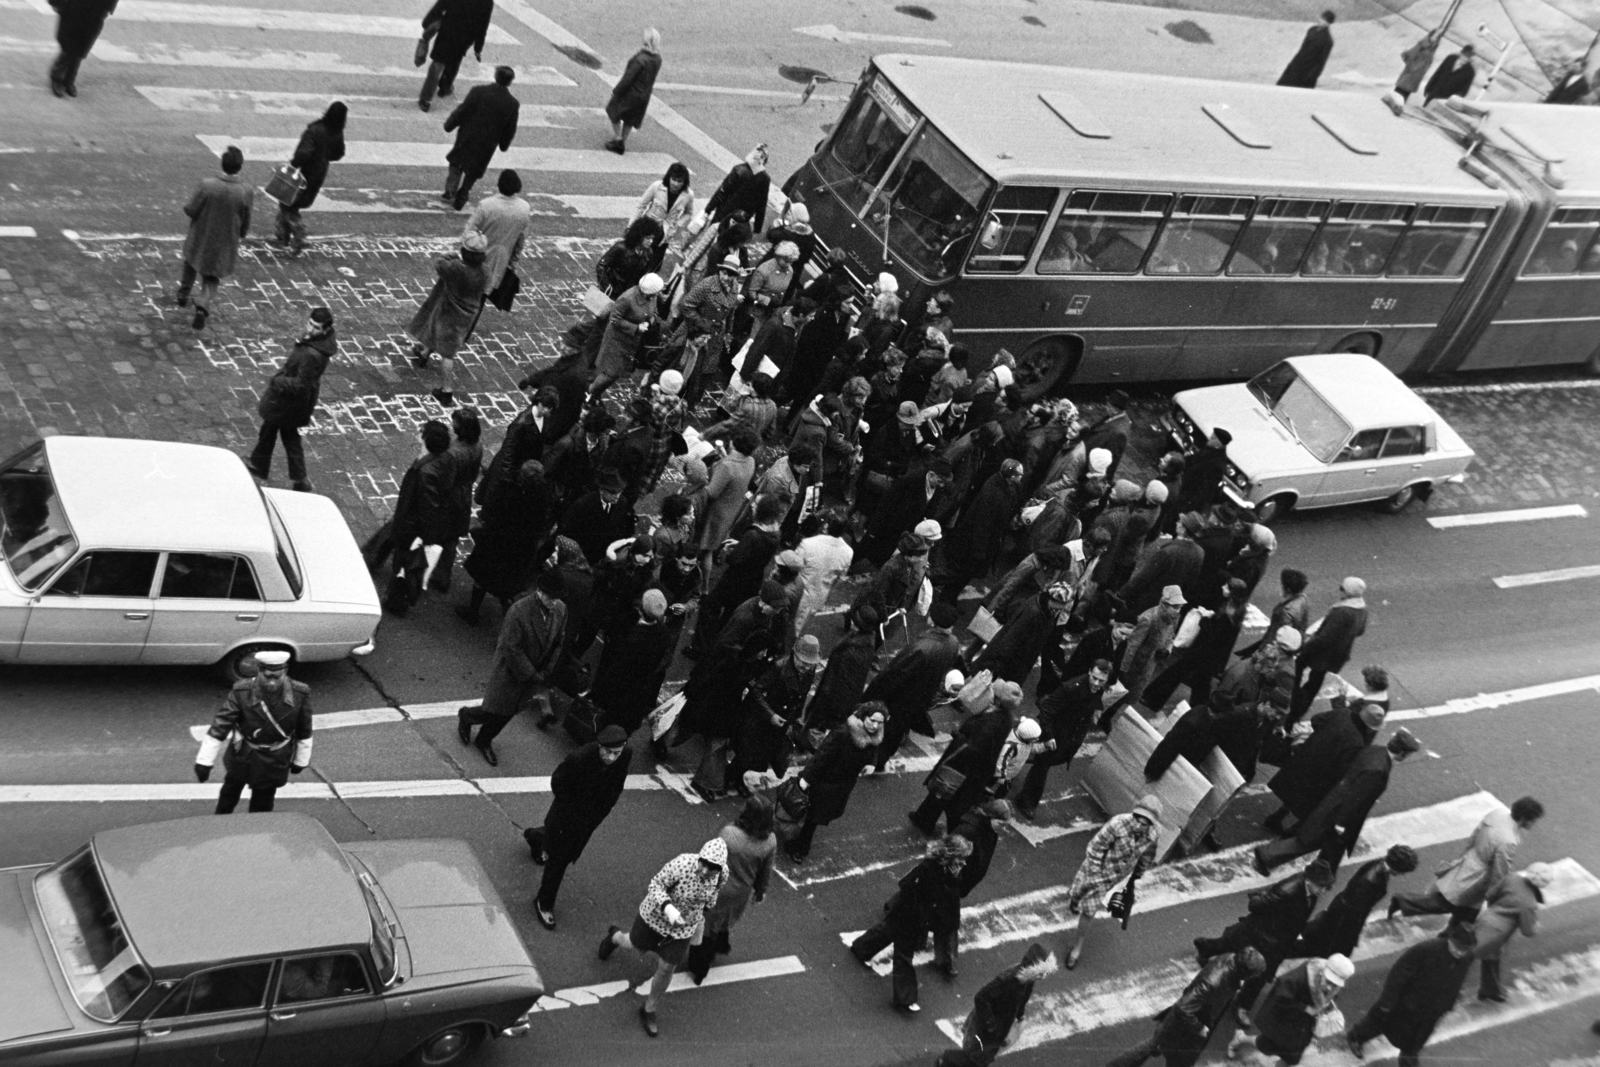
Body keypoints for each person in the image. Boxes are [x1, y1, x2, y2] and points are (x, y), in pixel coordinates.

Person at [598, 838, 730, 1037]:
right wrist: (668, 908)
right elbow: (655, 885)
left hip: (683, 928)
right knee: (634, 945)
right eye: (703, 864)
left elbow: (714, 894)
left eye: (711, 869)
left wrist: (705, 907)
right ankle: (614, 937)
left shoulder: (722, 875)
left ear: (719, 868)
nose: (704, 871)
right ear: (699, 858)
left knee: (667, 966)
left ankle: (649, 1009)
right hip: (654, 917)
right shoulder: (683, 864)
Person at [1255, 729, 1422, 875]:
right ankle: (1265, 856)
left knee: (1310, 836)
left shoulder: (1374, 751)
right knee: (1309, 841)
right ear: (1402, 753)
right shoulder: (1378, 770)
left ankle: (1270, 856)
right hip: (1337, 811)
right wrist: (1341, 823)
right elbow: (1356, 797)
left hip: (1332, 799)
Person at [522, 724, 631, 929]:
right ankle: (544, 903)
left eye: (616, 752)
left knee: (554, 843)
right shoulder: (579, 758)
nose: (611, 757)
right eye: (607, 751)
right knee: (558, 862)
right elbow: (558, 782)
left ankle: (535, 837)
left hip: (590, 819)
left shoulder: (625, 755)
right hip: (567, 817)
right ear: (599, 745)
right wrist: (571, 808)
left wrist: (605, 806)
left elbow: (618, 783)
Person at [456, 568, 568, 766]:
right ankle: (469, 718)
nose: (554, 602)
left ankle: (483, 737)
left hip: (535, 675)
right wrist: (532, 674)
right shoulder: (519, 611)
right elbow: (511, 649)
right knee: (497, 709)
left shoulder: (560, 609)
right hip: (512, 673)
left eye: (557, 598)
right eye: (551, 597)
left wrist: (547, 670)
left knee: (509, 711)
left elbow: (559, 641)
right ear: (540, 591)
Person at [1196, 858, 1336, 1017]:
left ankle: (1206, 948)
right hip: (1263, 934)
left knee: (1234, 946)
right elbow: (1256, 905)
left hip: (1275, 937)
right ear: (1310, 880)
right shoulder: (1287, 891)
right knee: (1259, 970)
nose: (1323, 890)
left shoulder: (1311, 890)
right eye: (1321, 886)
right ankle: (1243, 1005)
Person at [850, 835, 971, 1012]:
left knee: (887, 932)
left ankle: (861, 948)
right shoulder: (929, 869)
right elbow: (909, 886)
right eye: (961, 859)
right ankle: (905, 998)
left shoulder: (948, 871)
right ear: (950, 856)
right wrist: (919, 916)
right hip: (911, 916)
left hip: (910, 915)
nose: (964, 863)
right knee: (904, 956)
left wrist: (953, 878)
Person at [1390, 796, 1544, 923]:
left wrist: (1464, 855)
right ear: (1524, 818)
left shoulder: (1498, 813)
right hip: (1478, 876)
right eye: (1533, 820)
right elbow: (1500, 871)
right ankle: (1404, 901)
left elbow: (1475, 834)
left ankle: (1452, 937)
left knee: (1465, 911)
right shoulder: (1508, 840)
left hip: (1470, 859)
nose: (1534, 824)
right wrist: (1495, 895)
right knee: (1451, 905)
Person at [193, 650, 312, 813]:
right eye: (268, 676)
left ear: (285, 672)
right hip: (244, 753)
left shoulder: (300, 694)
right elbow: (221, 725)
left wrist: (301, 760)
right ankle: (220, 822)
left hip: (275, 757)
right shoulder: (241, 691)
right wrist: (204, 761)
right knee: (230, 792)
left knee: (263, 801)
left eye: (276, 677)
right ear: (259, 671)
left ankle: (257, 832)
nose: (272, 682)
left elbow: (304, 729)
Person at [1106, 948, 1267, 1067]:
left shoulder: (1230, 959)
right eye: (1253, 975)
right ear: (1245, 972)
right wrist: (1200, 1028)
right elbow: (1183, 1008)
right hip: (1183, 1029)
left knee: (1153, 1047)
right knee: (1170, 1056)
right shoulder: (1214, 982)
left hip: (1181, 1025)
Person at [1345, 924, 1477, 1067]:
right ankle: (1356, 1036)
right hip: (1406, 1003)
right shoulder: (1427, 949)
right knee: (1380, 1024)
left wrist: (1448, 1003)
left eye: (1463, 950)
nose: (1459, 953)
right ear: (1450, 939)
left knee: (1417, 1038)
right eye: (1457, 948)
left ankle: (1408, 1059)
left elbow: (1457, 980)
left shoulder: (1466, 957)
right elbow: (1399, 974)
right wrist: (1387, 1001)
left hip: (1431, 1009)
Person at [909, 687, 1033, 835]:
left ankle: (949, 831)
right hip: (975, 770)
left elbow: (973, 748)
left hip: (964, 768)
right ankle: (924, 819)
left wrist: (960, 739)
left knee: (945, 795)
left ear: (999, 700)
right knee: (947, 798)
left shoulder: (993, 722)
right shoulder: (1006, 717)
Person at [1063, 795, 1162, 969]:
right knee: (1080, 893)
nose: (1139, 825)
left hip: (1118, 875)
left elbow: (1148, 854)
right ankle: (1075, 900)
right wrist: (1094, 873)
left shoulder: (1154, 833)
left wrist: (1138, 874)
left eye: (1145, 823)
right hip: (1098, 867)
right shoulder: (1117, 824)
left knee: (1088, 910)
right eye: (1138, 819)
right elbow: (1096, 847)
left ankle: (1076, 946)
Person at [864, 601, 964, 773]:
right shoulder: (953, 643)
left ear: (932, 621)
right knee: (896, 733)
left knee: (885, 729)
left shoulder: (921, 648)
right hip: (921, 698)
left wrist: (870, 696)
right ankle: (880, 762)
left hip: (900, 697)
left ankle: (870, 760)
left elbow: (893, 675)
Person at [687, 796, 777, 982]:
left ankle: (698, 964)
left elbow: (712, 860)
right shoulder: (770, 841)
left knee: (706, 925)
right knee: (724, 920)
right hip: (741, 892)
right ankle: (716, 949)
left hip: (719, 888)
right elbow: (765, 872)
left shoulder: (729, 834)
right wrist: (760, 892)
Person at [247, 307, 336, 491]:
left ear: (325, 330)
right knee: (276, 430)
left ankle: (268, 468)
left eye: (316, 327)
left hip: (290, 401)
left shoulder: (313, 354)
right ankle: (264, 466)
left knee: (281, 432)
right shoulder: (317, 343)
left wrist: (278, 381)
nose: (310, 330)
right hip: (291, 401)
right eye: (310, 324)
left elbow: (301, 384)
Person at [458, 460, 557, 622]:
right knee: (507, 587)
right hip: (520, 551)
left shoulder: (511, 492)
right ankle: (508, 621)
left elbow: (496, 514)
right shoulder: (543, 497)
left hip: (497, 543)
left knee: (482, 578)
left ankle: (473, 611)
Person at [788, 702, 886, 862]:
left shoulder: (873, 734)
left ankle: (799, 843)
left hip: (842, 785)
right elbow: (822, 756)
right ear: (863, 716)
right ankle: (801, 848)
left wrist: (871, 763)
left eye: (879, 722)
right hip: (825, 782)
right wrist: (806, 778)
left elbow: (874, 747)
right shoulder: (843, 733)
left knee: (814, 814)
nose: (875, 726)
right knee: (814, 816)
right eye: (872, 720)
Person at [1012, 660, 1111, 819]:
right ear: (1089, 672)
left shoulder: (1096, 690)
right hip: (1054, 734)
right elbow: (1047, 710)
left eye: (1101, 681)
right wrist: (1049, 736)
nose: (1096, 683)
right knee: (1041, 767)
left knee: (1036, 759)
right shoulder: (1071, 688)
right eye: (1094, 678)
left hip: (1067, 737)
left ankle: (1012, 771)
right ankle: (1027, 801)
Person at [938, 944, 1059, 1067]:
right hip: (983, 1029)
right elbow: (981, 998)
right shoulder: (1007, 980)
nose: (1043, 977)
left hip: (998, 1028)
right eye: (1042, 972)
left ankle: (945, 1061)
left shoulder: (1029, 979)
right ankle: (944, 1060)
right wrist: (992, 1027)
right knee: (975, 1059)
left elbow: (1022, 1000)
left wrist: (1020, 1016)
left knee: (982, 1057)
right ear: (1032, 967)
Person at [1293, 845, 1419, 961]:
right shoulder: (1371, 880)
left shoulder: (1377, 865)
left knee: (1318, 941)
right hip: (1342, 919)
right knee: (1324, 948)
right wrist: (1351, 933)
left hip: (1340, 913)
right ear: (1398, 868)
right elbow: (1353, 909)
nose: (1402, 874)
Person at [175, 145, 253, 331]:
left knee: (191, 263)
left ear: (222, 164)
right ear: (240, 166)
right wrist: (241, 233)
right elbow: (246, 218)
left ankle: (183, 294)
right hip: (225, 241)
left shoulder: (207, 185)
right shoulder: (245, 191)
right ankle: (202, 306)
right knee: (212, 276)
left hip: (201, 235)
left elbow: (191, 209)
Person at [728, 635, 822, 788]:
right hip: (760, 718)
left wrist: (797, 718)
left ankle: (739, 780)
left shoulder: (809, 671)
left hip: (782, 720)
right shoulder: (779, 667)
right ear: (795, 655)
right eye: (803, 663)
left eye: (809, 664)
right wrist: (771, 714)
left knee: (761, 755)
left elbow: (802, 695)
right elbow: (757, 691)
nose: (806, 667)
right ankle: (732, 778)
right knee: (746, 752)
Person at [1229, 953, 1355, 1065]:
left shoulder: (1328, 981)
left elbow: (1326, 998)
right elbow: (1279, 998)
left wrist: (1327, 1008)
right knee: (1266, 1046)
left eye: (1335, 985)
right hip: (1285, 1019)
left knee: (1292, 1058)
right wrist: (1305, 1008)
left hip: (1302, 1026)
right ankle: (1240, 1038)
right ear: (1323, 971)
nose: (1329, 988)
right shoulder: (1295, 979)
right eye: (1328, 982)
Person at [408, 231, 489, 406]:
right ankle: (424, 354)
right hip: (466, 315)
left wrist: (451, 255)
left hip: (448, 312)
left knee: (448, 354)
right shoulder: (485, 271)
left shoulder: (456, 268)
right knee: (436, 333)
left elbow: (439, 264)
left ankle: (447, 390)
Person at [1289, 576, 1369, 724]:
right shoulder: (1361, 608)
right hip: (1338, 655)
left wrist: (1303, 649)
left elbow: (1324, 638)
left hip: (1321, 655)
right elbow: (1360, 631)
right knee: (1315, 682)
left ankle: (1293, 709)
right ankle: (1298, 710)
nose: (1340, 590)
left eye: (1342, 588)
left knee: (1298, 674)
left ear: (1349, 592)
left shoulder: (1343, 612)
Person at [441, 65, 520, 211]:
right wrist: (504, 144)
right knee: (474, 170)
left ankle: (450, 190)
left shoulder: (478, 91)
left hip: (468, 135)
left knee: (457, 162)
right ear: (510, 82)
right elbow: (510, 127)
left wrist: (449, 124)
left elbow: (463, 111)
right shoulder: (512, 103)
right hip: (488, 143)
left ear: (495, 76)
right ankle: (463, 193)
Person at [1473, 862, 1553, 1002]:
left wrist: (1494, 911)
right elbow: (1527, 931)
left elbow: (1491, 895)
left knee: (1489, 957)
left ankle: (1490, 991)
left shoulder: (1512, 878)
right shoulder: (1529, 903)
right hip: (1497, 933)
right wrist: (1536, 926)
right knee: (1466, 957)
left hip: (1485, 919)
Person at [275, 102, 346, 255]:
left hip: (304, 173)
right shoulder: (337, 132)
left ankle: (297, 234)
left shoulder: (314, 130)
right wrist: (325, 156)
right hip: (319, 173)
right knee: (292, 202)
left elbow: (303, 153)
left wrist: (293, 165)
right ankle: (283, 235)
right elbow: (339, 153)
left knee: (287, 203)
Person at [429, 406, 483, 593]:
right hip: (463, 496)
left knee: (437, 533)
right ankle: (443, 576)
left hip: (450, 500)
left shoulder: (454, 454)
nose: (451, 426)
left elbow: (445, 482)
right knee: (450, 540)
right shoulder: (477, 446)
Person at [465, 169, 529, 309]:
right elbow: (520, 240)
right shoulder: (524, 208)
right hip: (500, 262)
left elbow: (469, 232)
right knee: (480, 300)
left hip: (477, 258)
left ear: (499, 184)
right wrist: (514, 262)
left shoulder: (486, 205)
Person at [417, 0, 493, 112]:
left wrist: (427, 23)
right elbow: (483, 26)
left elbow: (440, 6)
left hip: (447, 31)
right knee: (455, 61)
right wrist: (478, 48)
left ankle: (425, 99)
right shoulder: (487, 2)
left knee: (437, 64)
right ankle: (445, 86)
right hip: (466, 37)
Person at [1120, 585, 1184, 705]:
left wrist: (1167, 650)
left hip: (1149, 666)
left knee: (1130, 697)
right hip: (1134, 665)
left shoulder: (1174, 618)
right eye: (1175, 607)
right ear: (1165, 604)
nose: (1177, 610)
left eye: (1179, 607)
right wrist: (1123, 669)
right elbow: (1132, 645)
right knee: (1119, 694)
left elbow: (1171, 637)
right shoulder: (1149, 618)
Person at [793, 511, 855, 635]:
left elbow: (793, 567)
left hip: (798, 590)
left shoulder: (808, 544)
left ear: (826, 525)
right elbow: (839, 578)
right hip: (820, 596)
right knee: (802, 627)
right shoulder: (848, 552)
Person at [605, 28, 662, 155]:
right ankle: (622, 141)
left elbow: (628, 78)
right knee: (630, 118)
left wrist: (617, 91)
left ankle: (618, 139)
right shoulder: (657, 59)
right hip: (644, 95)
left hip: (631, 93)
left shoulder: (640, 59)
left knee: (613, 109)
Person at [48, 0, 118, 98]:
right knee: (69, 43)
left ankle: (69, 79)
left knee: (84, 44)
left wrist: (107, 8)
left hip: (98, 8)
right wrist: (55, 2)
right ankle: (57, 77)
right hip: (73, 5)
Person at [633, 161, 695, 267]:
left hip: (665, 234)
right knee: (638, 261)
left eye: (679, 181)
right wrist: (632, 226)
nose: (676, 184)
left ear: (684, 182)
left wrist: (677, 224)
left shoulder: (688, 195)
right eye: (674, 179)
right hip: (648, 229)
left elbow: (688, 213)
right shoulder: (657, 187)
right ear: (669, 178)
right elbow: (641, 206)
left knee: (655, 265)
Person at [1174, 428, 1231, 513]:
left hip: (1187, 497)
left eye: (1212, 438)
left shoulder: (1218, 465)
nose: (1209, 439)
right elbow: (1195, 459)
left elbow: (1204, 492)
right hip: (1181, 487)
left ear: (1218, 444)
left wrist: (1187, 508)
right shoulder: (1210, 449)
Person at [1278, 11, 1335, 89]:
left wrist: (1314, 75)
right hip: (1298, 63)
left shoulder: (1328, 40)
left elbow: (1322, 60)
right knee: (1284, 86)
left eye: (1325, 20)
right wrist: (1293, 63)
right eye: (1321, 18)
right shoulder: (1312, 30)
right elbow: (1302, 48)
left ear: (1329, 23)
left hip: (1310, 69)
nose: (1321, 21)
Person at [1391, 29, 1442, 102]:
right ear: (1430, 35)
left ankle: (1398, 106)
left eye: (1437, 38)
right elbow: (1410, 55)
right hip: (1411, 73)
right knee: (1400, 91)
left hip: (1417, 76)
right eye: (1434, 36)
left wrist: (1424, 69)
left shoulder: (1432, 49)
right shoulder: (1422, 44)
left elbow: (1429, 62)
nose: (1435, 39)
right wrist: (1411, 67)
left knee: (1406, 94)